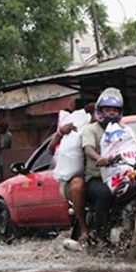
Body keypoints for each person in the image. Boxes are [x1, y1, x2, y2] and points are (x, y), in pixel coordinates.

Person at [81, 88, 136, 237]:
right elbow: (88, 148)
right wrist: (99, 158)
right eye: (108, 109)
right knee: (104, 195)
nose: (112, 113)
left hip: (123, 173)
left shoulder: (125, 129)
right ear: (100, 111)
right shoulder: (91, 130)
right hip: (97, 177)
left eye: (115, 110)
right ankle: (102, 237)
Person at [49, 103, 95, 243]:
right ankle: (84, 228)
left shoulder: (110, 129)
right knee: (77, 184)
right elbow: (50, 149)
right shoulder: (73, 128)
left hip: (99, 176)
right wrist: (60, 133)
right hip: (74, 180)